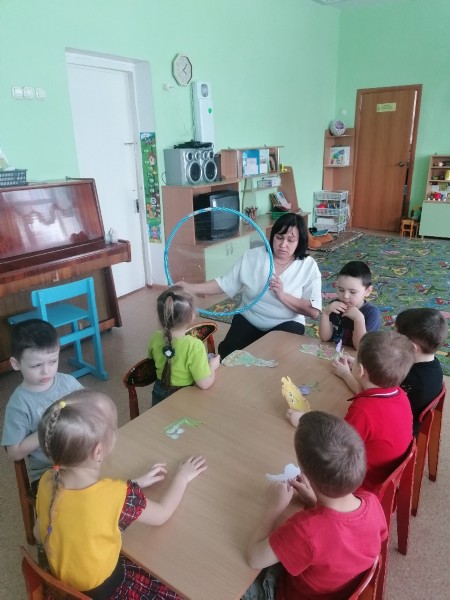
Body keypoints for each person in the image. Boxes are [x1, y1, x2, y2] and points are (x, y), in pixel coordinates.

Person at [35, 389, 207, 598]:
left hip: (66, 585)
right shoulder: (116, 494)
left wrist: (134, 485)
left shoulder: (47, 480)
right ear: (98, 451)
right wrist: (182, 477)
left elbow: (39, 531)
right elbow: (162, 514)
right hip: (107, 591)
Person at [243, 411, 387, 600]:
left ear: (306, 474)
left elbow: (253, 558)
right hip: (335, 590)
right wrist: (313, 501)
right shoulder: (372, 502)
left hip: (290, 594)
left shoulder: (305, 530)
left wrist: (274, 508)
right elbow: (340, 534)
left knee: (232, 579)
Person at [179, 212, 322, 359]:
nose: (283, 245)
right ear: (272, 236)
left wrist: (283, 296)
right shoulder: (253, 256)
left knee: (277, 359)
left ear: (300, 242)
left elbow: (313, 312)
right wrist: (190, 288)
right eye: (279, 237)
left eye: (290, 240)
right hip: (250, 318)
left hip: (287, 323)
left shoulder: (308, 266)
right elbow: (224, 283)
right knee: (227, 355)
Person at [288, 330, 415, 493]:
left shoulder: (363, 410)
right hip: (385, 471)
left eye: (356, 360)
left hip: (361, 483)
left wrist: (304, 420)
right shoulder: (400, 393)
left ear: (361, 370)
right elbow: (370, 394)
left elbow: (334, 446)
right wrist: (354, 370)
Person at [1, 319, 83, 494]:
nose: (46, 371)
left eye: (53, 361)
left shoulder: (68, 383)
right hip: (48, 472)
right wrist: (47, 429)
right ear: (16, 364)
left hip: (80, 457)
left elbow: (89, 405)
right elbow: (14, 453)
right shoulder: (19, 405)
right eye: (37, 365)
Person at [148, 285, 220, 405]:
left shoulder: (155, 337)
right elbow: (204, 384)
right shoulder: (194, 345)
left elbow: (152, 359)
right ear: (192, 316)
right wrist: (212, 366)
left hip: (159, 393)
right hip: (184, 397)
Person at [395, 308, 447, 435]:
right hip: (411, 420)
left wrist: (347, 374)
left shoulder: (410, 379)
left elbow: (371, 394)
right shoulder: (433, 363)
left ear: (412, 347)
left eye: (396, 336)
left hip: (400, 431)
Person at [319, 261, 380, 349]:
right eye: (341, 290)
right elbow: (325, 338)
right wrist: (325, 313)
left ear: (368, 291)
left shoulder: (371, 313)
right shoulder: (334, 306)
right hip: (333, 353)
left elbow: (360, 348)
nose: (345, 296)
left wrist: (359, 319)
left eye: (352, 292)